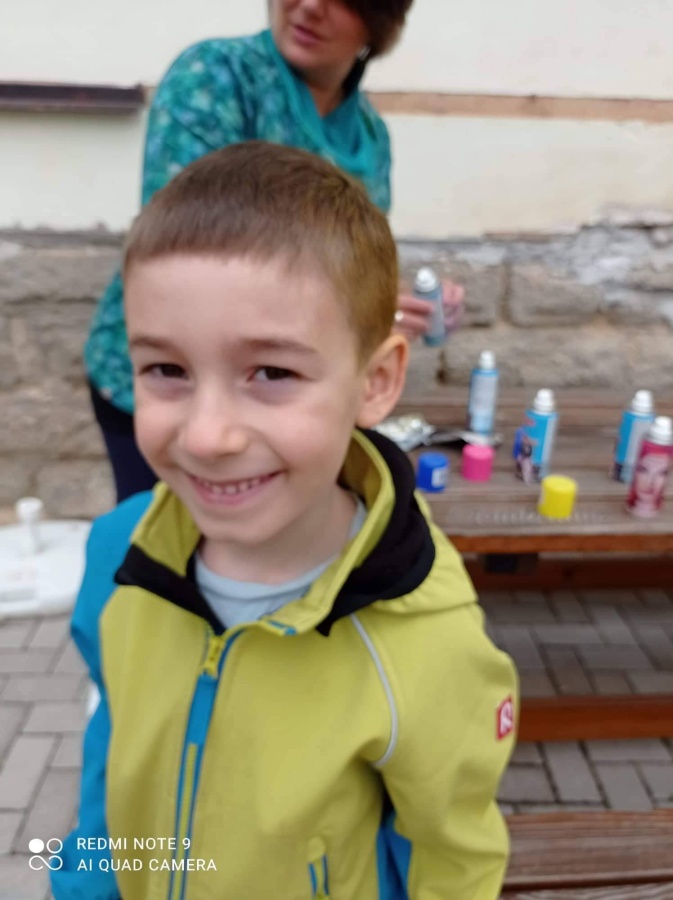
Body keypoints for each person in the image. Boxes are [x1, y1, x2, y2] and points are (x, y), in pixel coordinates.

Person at [52, 143, 517, 900]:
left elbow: (453, 855)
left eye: (271, 372)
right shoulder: (118, 554)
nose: (207, 435)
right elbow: (116, 743)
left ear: (376, 382)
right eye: (167, 370)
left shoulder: (426, 637)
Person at [85, 0, 465, 503]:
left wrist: (389, 304)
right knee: (161, 533)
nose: (309, 6)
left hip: (275, 392)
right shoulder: (215, 77)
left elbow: (344, 264)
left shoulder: (371, 136)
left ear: (380, 20)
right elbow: (187, 259)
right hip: (170, 388)